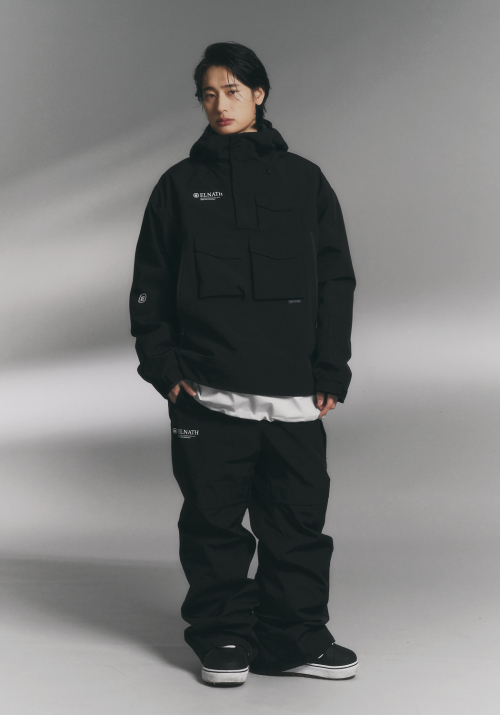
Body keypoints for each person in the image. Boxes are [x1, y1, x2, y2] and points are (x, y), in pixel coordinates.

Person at [129, 41, 358, 687]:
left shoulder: (305, 180)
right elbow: (149, 286)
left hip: (293, 394)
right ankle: (224, 637)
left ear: (259, 93)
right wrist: (164, 367)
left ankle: (295, 639)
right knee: (213, 524)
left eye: (232, 90)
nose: (219, 104)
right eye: (208, 93)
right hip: (207, 393)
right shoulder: (178, 186)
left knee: (297, 525)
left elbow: (336, 280)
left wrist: (331, 369)